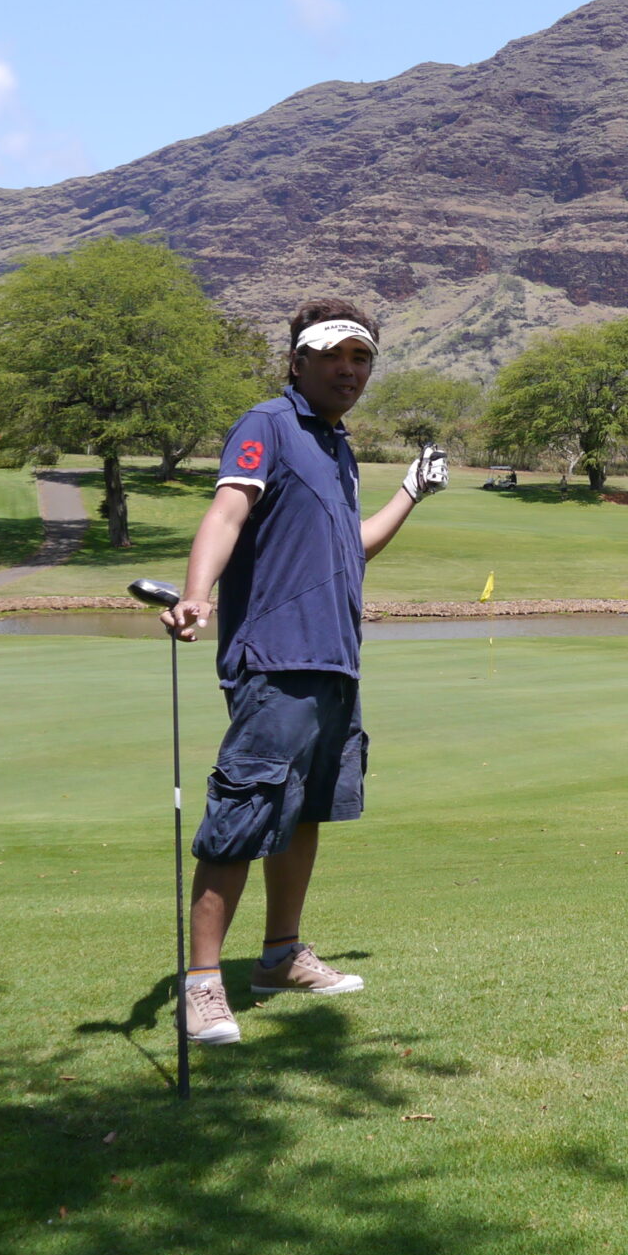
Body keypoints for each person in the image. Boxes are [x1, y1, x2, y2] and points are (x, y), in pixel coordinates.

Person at [157, 298, 448, 1047]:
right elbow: (227, 512)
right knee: (244, 812)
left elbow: (352, 546)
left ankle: (280, 956)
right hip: (276, 658)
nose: (349, 370)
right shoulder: (268, 425)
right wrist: (197, 595)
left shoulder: (336, 445)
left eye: (362, 359)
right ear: (297, 360)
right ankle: (201, 988)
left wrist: (411, 491)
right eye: (333, 356)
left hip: (334, 660)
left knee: (304, 811)